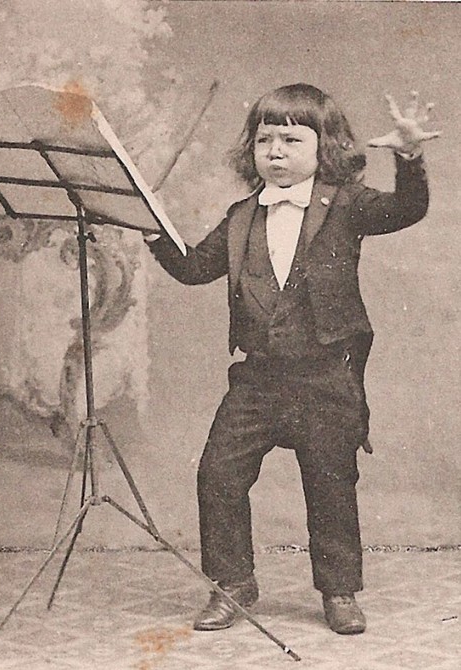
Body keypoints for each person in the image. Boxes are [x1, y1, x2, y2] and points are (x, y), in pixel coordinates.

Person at [143, 84, 439, 634]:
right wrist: (152, 230)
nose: (275, 151)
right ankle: (232, 585)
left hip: (326, 376)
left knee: (330, 484)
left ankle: (339, 591)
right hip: (257, 379)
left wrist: (409, 155)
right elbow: (193, 269)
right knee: (217, 475)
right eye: (264, 140)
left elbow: (407, 208)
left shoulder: (346, 203)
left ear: (325, 146)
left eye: (291, 139)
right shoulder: (240, 215)